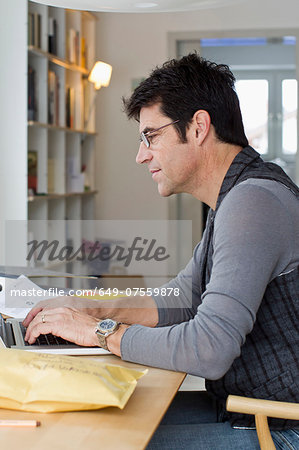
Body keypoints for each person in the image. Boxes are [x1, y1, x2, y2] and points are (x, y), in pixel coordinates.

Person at [23, 53, 299, 449]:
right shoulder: (236, 197)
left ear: (199, 127)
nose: (141, 155)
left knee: (98, 441)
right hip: (251, 409)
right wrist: (94, 308)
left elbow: (209, 349)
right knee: (97, 420)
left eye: (151, 136)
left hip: (282, 430)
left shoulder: (253, 202)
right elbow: (186, 300)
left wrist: (100, 333)